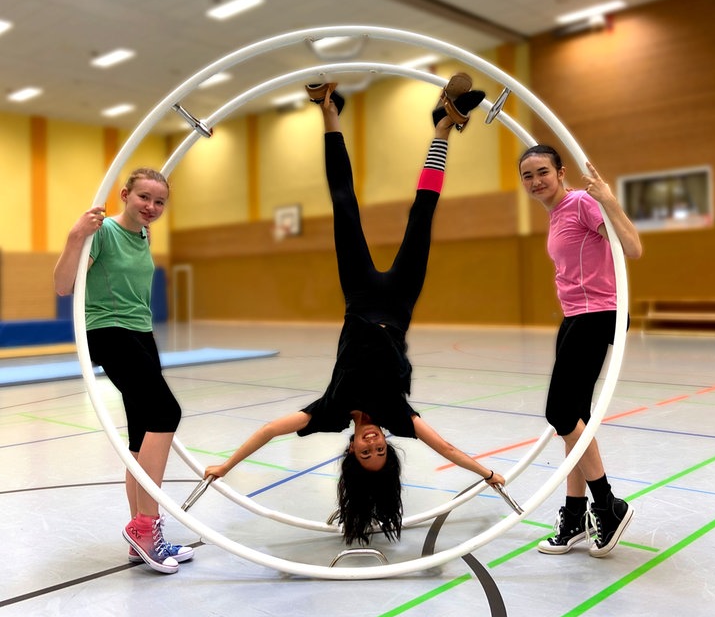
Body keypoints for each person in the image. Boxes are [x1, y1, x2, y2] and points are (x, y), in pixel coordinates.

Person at [204, 75, 505, 546]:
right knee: (423, 213)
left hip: (360, 297)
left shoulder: (329, 412)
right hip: (400, 301)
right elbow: (444, 446)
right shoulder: (398, 415)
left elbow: (268, 430)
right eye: (382, 449)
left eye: (368, 452)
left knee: (343, 205)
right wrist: (485, 471)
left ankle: (327, 109)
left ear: (350, 451)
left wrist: (226, 465)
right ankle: (443, 125)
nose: (374, 442)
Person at [54, 168, 193, 574]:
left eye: (160, 201)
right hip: (109, 332)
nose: (151, 207)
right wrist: (75, 235)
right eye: (144, 197)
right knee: (167, 413)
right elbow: (64, 285)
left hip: (141, 335)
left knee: (141, 434)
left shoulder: (144, 235)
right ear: (125, 194)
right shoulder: (103, 233)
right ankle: (146, 527)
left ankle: (140, 539)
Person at [518, 144, 642, 558]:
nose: (536, 181)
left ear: (560, 171)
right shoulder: (557, 214)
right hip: (575, 316)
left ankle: (607, 507)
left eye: (542, 172)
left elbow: (632, 247)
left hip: (597, 314)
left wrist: (608, 201)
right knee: (575, 417)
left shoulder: (581, 203)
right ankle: (575, 516)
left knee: (560, 413)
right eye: (528, 175)